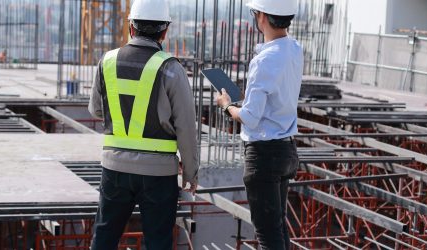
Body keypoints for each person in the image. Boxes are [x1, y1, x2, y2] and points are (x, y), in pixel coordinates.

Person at [87, 0, 198, 248]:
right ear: (165, 31)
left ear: (131, 27)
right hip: (158, 175)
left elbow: (95, 109)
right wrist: (190, 171)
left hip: (114, 169)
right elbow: (186, 127)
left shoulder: (107, 61)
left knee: (104, 238)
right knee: (158, 242)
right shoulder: (171, 68)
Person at [215, 0, 302, 249]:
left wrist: (226, 105)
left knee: (268, 234)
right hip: (286, 150)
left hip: (264, 155)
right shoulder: (295, 49)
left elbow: (251, 117)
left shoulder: (264, 59)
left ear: (261, 16)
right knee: (278, 227)